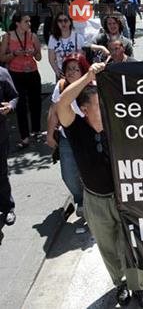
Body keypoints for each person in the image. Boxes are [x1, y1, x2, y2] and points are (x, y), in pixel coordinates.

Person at [56, 62, 143, 309]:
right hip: (96, 200)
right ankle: (119, 283)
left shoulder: (118, 126)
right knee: (108, 247)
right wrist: (88, 76)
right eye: (100, 103)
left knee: (130, 245)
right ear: (85, 108)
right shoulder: (75, 128)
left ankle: (138, 287)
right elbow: (62, 104)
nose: (107, 107)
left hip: (124, 198)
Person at [46, 54, 90, 226]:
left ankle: (90, 203)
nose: (71, 72)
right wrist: (50, 134)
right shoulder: (61, 85)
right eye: (69, 69)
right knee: (69, 175)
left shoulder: (90, 86)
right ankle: (80, 199)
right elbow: (53, 110)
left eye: (76, 69)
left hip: (87, 138)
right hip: (67, 138)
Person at [0, 13, 42, 149]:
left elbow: (39, 57)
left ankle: (36, 130)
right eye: (26, 21)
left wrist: (34, 52)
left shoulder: (33, 36)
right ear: (17, 23)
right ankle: (24, 137)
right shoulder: (7, 36)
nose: (29, 24)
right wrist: (14, 54)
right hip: (16, 75)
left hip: (32, 73)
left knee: (35, 103)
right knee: (21, 106)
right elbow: (2, 58)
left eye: (29, 21)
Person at [0, 66, 18, 226]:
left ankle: (8, 208)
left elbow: (14, 97)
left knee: (1, 173)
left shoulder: (2, 73)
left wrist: (10, 106)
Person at [46, 13, 86, 79]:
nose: (63, 23)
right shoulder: (53, 38)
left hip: (75, 73)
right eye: (60, 21)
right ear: (57, 23)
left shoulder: (77, 37)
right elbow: (51, 59)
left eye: (65, 20)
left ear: (70, 22)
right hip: (61, 73)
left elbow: (82, 57)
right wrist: (58, 72)